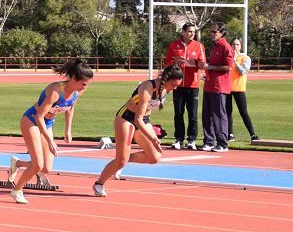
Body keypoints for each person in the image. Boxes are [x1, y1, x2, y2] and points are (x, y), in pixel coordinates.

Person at [8, 59, 93, 204]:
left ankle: (18, 163)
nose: (85, 87)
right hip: (32, 121)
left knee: (46, 168)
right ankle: (17, 190)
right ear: (73, 79)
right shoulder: (55, 91)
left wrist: (68, 130)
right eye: (83, 84)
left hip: (47, 123)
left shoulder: (77, 93)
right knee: (38, 165)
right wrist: (50, 140)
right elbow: (39, 116)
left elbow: (70, 108)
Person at [93, 65, 184, 196]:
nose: (175, 88)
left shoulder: (165, 90)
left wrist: (152, 131)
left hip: (144, 120)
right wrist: (152, 137)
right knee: (121, 160)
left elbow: (146, 113)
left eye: (177, 86)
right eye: (173, 84)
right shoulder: (147, 88)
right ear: (166, 79)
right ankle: (99, 184)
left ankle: (122, 161)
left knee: (155, 156)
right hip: (127, 118)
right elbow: (138, 119)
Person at [163, 22, 205, 150]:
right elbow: (167, 62)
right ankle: (179, 139)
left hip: (193, 85)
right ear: (183, 32)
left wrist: (196, 63)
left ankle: (192, 139)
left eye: (193, 32)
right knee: (178, 113)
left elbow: (203, 63)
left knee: (192, 114)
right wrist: (176, 61)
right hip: (178, 85)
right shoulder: (174, 45)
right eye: (189, 31)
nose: (192, 34)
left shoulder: (199, 46)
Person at [199, 23, 234, 152]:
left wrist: (211, 67)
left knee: (219, 115)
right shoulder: (214, 47)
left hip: (219, 86)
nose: (212, 34)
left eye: (214, 31)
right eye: (211, 32)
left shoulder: (226, 47)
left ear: (222, 33)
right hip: (209, 84)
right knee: (207, 115)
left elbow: (228, 67)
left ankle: (222, 143)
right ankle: (209, 141)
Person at [227, 38, 259, 142]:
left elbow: (243, 71)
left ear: (240, 46)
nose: (235, 47)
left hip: (239, 88)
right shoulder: (227, 57)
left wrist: (235, 61)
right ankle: (230, 134)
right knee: (228, 112)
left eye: (237, 45)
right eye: (233, 44)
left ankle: (253, 134)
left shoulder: (245, 58)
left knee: (244, 112)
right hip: (227, 88)